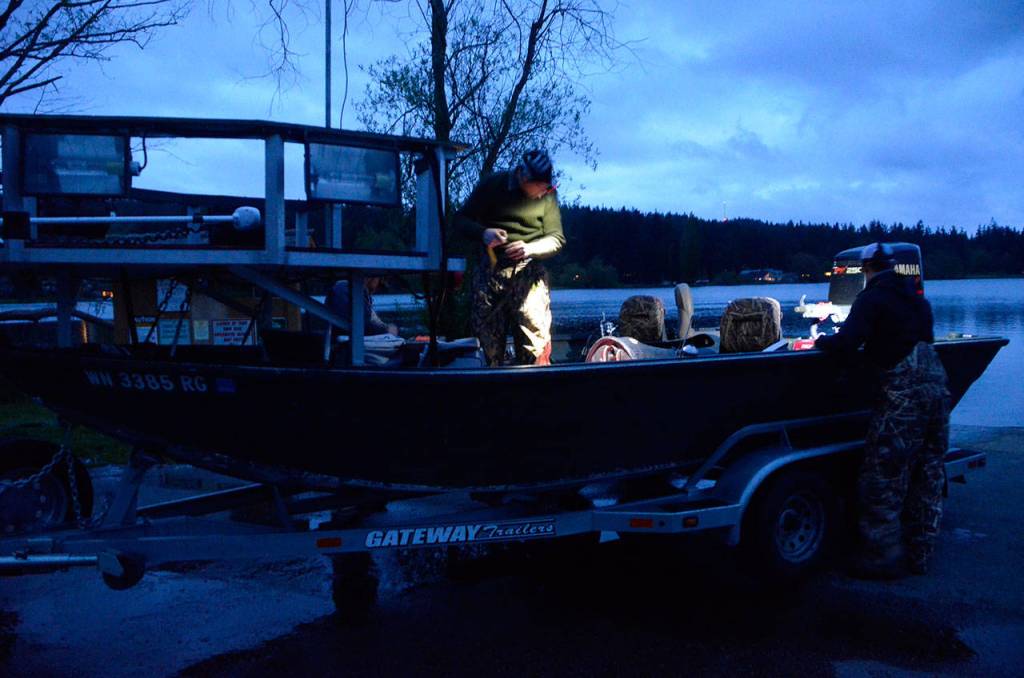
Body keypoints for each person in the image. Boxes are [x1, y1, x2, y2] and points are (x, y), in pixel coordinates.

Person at [815, 243, 951, 578]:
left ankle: (882, 557)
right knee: (928, 472)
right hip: (938, 388)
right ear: (893, 266)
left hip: (904, 393)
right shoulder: (917, 299)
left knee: (884, 474)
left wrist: (821, 340)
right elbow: (925, 340)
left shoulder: (871, 298)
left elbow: (847, 342)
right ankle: (919, 554)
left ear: (867, 270)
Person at [455, 150, 565, 366]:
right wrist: (483, 233)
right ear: (523, 177)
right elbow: (460, 220)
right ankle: (491, 383)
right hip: (490, 274)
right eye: (539, 187)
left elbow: (556, 238)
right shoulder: (493, 185)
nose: (543, 193)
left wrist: (530, 248)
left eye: (547, 188)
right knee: (486, 347)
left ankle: (536, 383)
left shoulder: (548, 195)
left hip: (529, 274)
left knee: (535, 347)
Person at [325, 276, 398, 336]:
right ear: (371, 277)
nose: (377, 286)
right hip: (345, 344)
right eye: (379, 280)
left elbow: (370, 321)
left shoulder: (354, 291)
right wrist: (386, 329)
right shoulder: (345, 289)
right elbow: (362, 325)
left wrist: (385, 327)